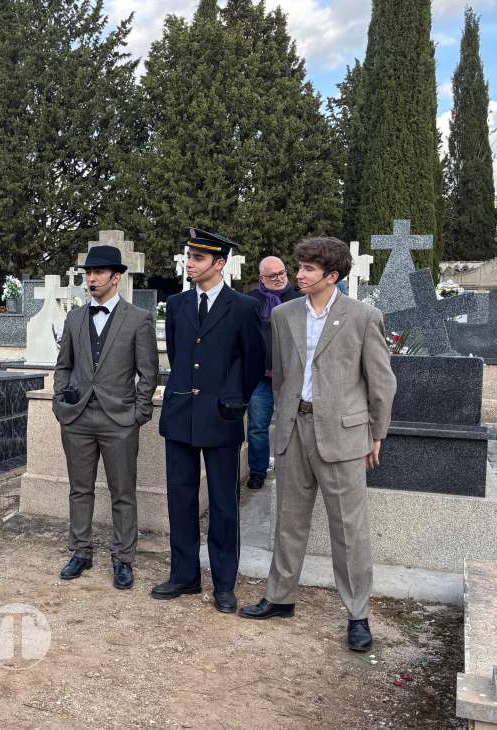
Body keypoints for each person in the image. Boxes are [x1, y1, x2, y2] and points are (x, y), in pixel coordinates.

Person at [239, 237, 396, 653]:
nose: (300, 275)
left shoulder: (364, 317)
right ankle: (279, 597)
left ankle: (358, 613)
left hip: (343, 435)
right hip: (292, 428)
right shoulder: (285, 315)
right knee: (288, 521)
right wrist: (279, 422)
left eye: (309, 269)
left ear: (333, 276)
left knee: (349, 530)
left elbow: (381, 381)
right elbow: (284, 374)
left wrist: (377, 434)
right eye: (301, 267)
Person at [154, 228, 265, 614]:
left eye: (198, 258)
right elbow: (179, 356)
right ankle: (184, 575)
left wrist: (233, 399)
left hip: (221, 417)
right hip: (180, 415)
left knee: (222, 504)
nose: (190, 263)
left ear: (219, 263)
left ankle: (223, 583)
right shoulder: (178, 303)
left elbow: (253, 362)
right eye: (189, 256)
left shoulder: (244, 307)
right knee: (180, 498)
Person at [51, 244, 158, 589]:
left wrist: (138, 413)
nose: (92, 279)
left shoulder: (139, 319)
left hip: (119, 420)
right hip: (78, 416)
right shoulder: (74, 317)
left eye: (98, 273)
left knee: (122, 491)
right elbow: (63, 364)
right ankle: (80, 552)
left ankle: (123, 558)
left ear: (116, 277)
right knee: (79, 490)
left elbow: (148, 373)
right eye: (88, 273)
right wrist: (59, 401)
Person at [243, 256, 303, 491]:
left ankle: (292, 471)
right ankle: (257, 471)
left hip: (291, 376)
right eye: (272, 275)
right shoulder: (250, 301)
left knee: (294, 426)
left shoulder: (300, 299)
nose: (279, 278)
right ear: (261, 279)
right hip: (260, 376)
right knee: (258, 426)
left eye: (282, 273)